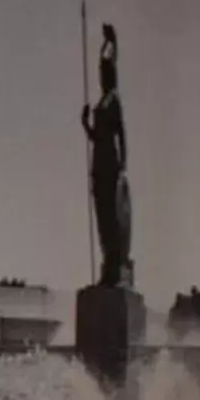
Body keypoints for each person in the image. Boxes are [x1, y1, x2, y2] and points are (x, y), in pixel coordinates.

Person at [82, 25, 133, 287]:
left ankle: (116, 265)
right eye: (101, 74)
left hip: (111, 161)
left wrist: (111, 43)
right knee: (101, 214)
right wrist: (85, 125)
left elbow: (121, 131)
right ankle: (107, 265)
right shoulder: (102, 101)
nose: (102, 76)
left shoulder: (114, 100)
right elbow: (96, 136)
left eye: (106, 72)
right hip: (98, 161)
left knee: (113, 216)